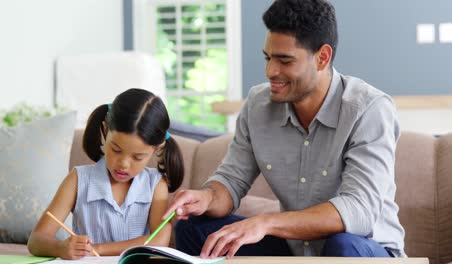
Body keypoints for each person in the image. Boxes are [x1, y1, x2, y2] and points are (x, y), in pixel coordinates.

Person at [163, 0, 405, 259]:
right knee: (195, 231)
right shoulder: (258, 105)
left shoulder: (368, 109)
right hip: (294, 250)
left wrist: (265, 222)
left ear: (322, 57)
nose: (270, 71)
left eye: (284, 60)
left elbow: (358, 210)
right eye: (268, 58)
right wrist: (207, 197)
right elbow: (232, 181)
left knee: (343, 245)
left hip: (365, 250)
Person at [27, 88, 184, 259]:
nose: (123, 164)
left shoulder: (155, 184)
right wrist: (59, 248)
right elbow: (36, 240)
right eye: (116, 150)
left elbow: (160, 241)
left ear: (156, 148)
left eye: (138, 157)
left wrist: (99, 249)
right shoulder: (78, 179)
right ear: (105, 130)